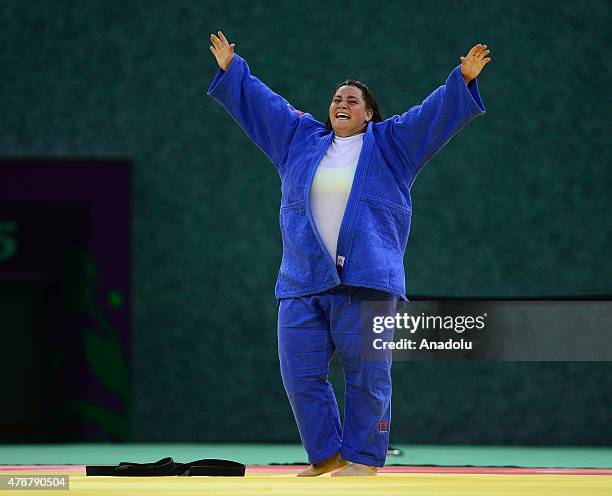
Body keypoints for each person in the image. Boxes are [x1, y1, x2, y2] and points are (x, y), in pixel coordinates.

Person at [207, 31, 491, 476]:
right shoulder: (299, 140)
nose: (342, 102)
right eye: (337, 97)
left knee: (367, 378)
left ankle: (363, 458)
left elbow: (430, 115)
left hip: (367, 280)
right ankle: (327, 457)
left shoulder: (393, 144)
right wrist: (232, 71)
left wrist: (462, 79)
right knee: (299, 377)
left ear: (369, 113)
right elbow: (267, 108)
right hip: (303, 280)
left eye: (353, 99)